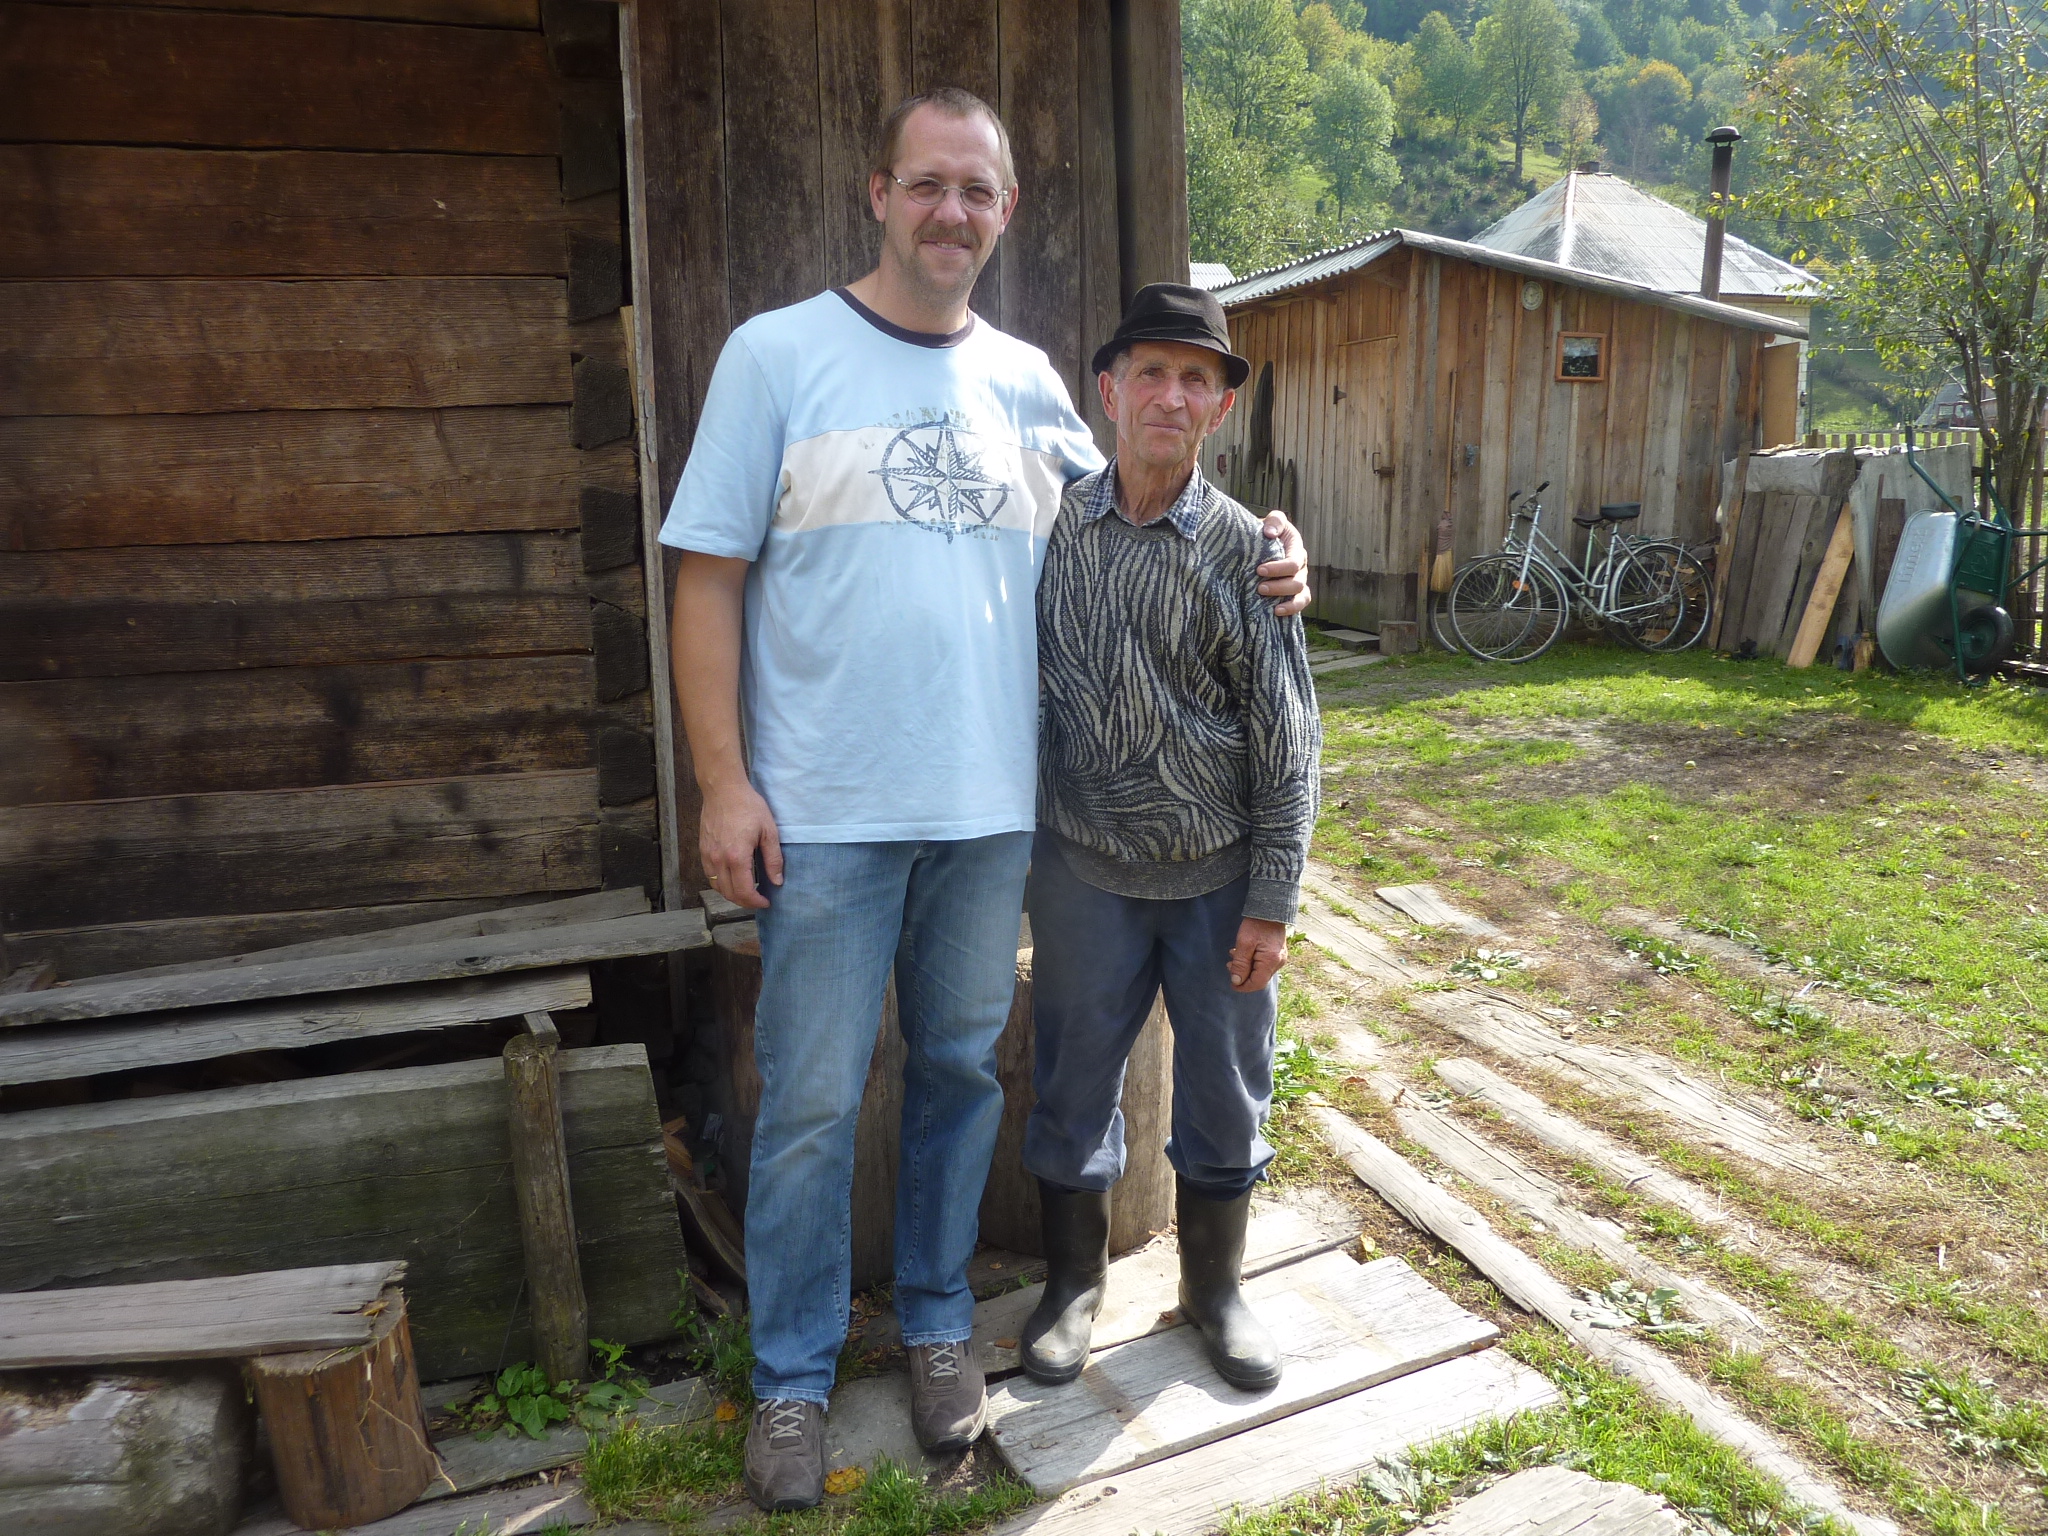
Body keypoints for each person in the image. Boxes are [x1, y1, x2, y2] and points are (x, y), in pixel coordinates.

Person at [659, 90, 1312, 1511]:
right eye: (927, 184)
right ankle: (792, 1377)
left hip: (989, 815)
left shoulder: (1025, 384)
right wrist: (723, 783)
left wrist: (1276, 544)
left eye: (977, 191)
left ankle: (939, 1324)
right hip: (824, 814)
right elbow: (705, 577)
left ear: (1005, 212)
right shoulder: (776, 356)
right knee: (811, 1102)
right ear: (878, 193)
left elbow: (1149, 489)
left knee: (959, 1077)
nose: (951, 211)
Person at [1019, 284, 1320, 1393]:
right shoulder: (1048, 527)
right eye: (1150, 371)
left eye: (1196, 379)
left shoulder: (1250, 553)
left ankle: (1214, 1290)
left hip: (1217, 883)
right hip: (1081, 871)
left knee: (1225, 1091)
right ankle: (1072, 1284)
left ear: (1220, 409)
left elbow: (1288, 739)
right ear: (1108, 390)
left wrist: (1272, 903)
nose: (1170, 396)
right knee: (1071, 1082)